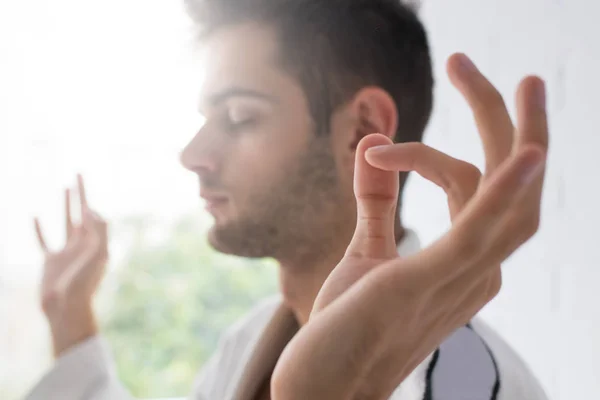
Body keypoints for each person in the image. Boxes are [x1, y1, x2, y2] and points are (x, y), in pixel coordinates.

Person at [25, 0, 550, 399]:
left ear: (362, 130)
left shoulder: (470, 382)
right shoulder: (248, 342)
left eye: (239, 118)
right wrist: (71, 323)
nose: (193, 154)